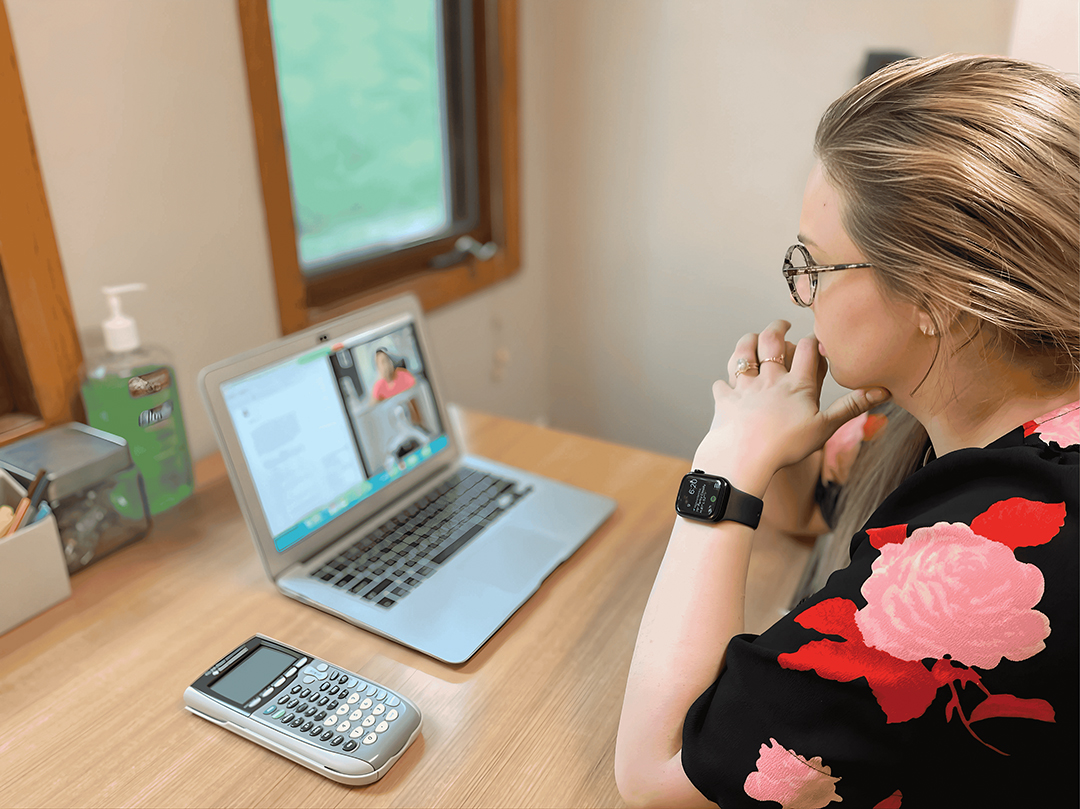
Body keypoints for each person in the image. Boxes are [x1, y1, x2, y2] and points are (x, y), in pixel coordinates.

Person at [614, 54, 1078, 808]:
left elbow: (660, 770)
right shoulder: (980, 406)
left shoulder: (987, 558)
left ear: (938, 296)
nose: (801, 294)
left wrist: (725, 464)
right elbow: (808, 511)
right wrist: (774, 428)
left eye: (816, 266)